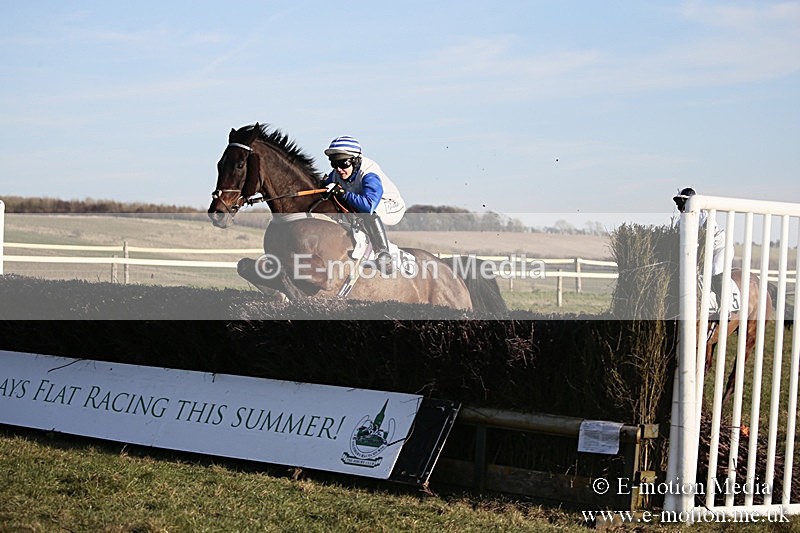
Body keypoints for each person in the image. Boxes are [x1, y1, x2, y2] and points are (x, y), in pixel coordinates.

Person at [323, 135, 406, 272]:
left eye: (343, 163)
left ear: (356, 161)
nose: (338, 169)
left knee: (366, 211)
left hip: (390, 206)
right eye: (334, 163)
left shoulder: (369, 173)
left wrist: (342, 193)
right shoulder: (337, 173)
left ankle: (383, 253)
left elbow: (368, 206)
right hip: (365, 204)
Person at [673, 187, 725, 304]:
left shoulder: (704, 218)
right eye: (678, 203)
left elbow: (703, 240)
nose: (679, 207)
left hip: (718, 249)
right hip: (702, 251)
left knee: (715, 270)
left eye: (681, 203)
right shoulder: (680, 221)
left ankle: (724, 306)